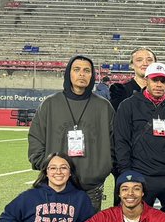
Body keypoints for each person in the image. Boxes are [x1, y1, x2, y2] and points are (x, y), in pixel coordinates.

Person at [28, 54, 115, 209]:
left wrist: (102, 169)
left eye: (86, 70)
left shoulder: (104, 107)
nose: (82, 74)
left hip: (91, 187)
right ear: (69, 73)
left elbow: (114, 142)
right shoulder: (50, 104)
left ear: (92, 75)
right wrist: (46, 165)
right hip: (56, 186)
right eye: (77, 69)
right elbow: (36, 137)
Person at [113, 61, 165, 209]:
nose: (159, 84)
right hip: (141, 174)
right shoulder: (128, 105)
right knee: (137, 219)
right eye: (155, 80)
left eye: (163, 81)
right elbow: (121, 141)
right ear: (146, 80)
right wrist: (126, 173)